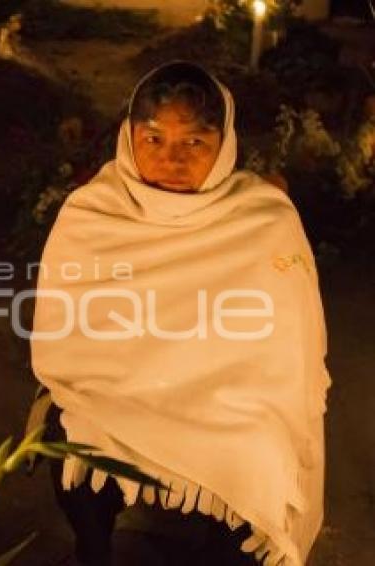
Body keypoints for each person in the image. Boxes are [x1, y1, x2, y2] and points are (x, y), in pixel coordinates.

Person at [30, 61, 331, 566]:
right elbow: (68, 332)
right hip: (116, 391)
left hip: (231, 400)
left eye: (193, 143)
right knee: (72, 428)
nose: (170, 159)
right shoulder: (94, 211)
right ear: (129, 138)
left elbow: (288, 347)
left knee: (259, 450)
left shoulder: (265, 218)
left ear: (223, 145)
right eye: (153, 139)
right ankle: (92, 550)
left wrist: (216, 389)